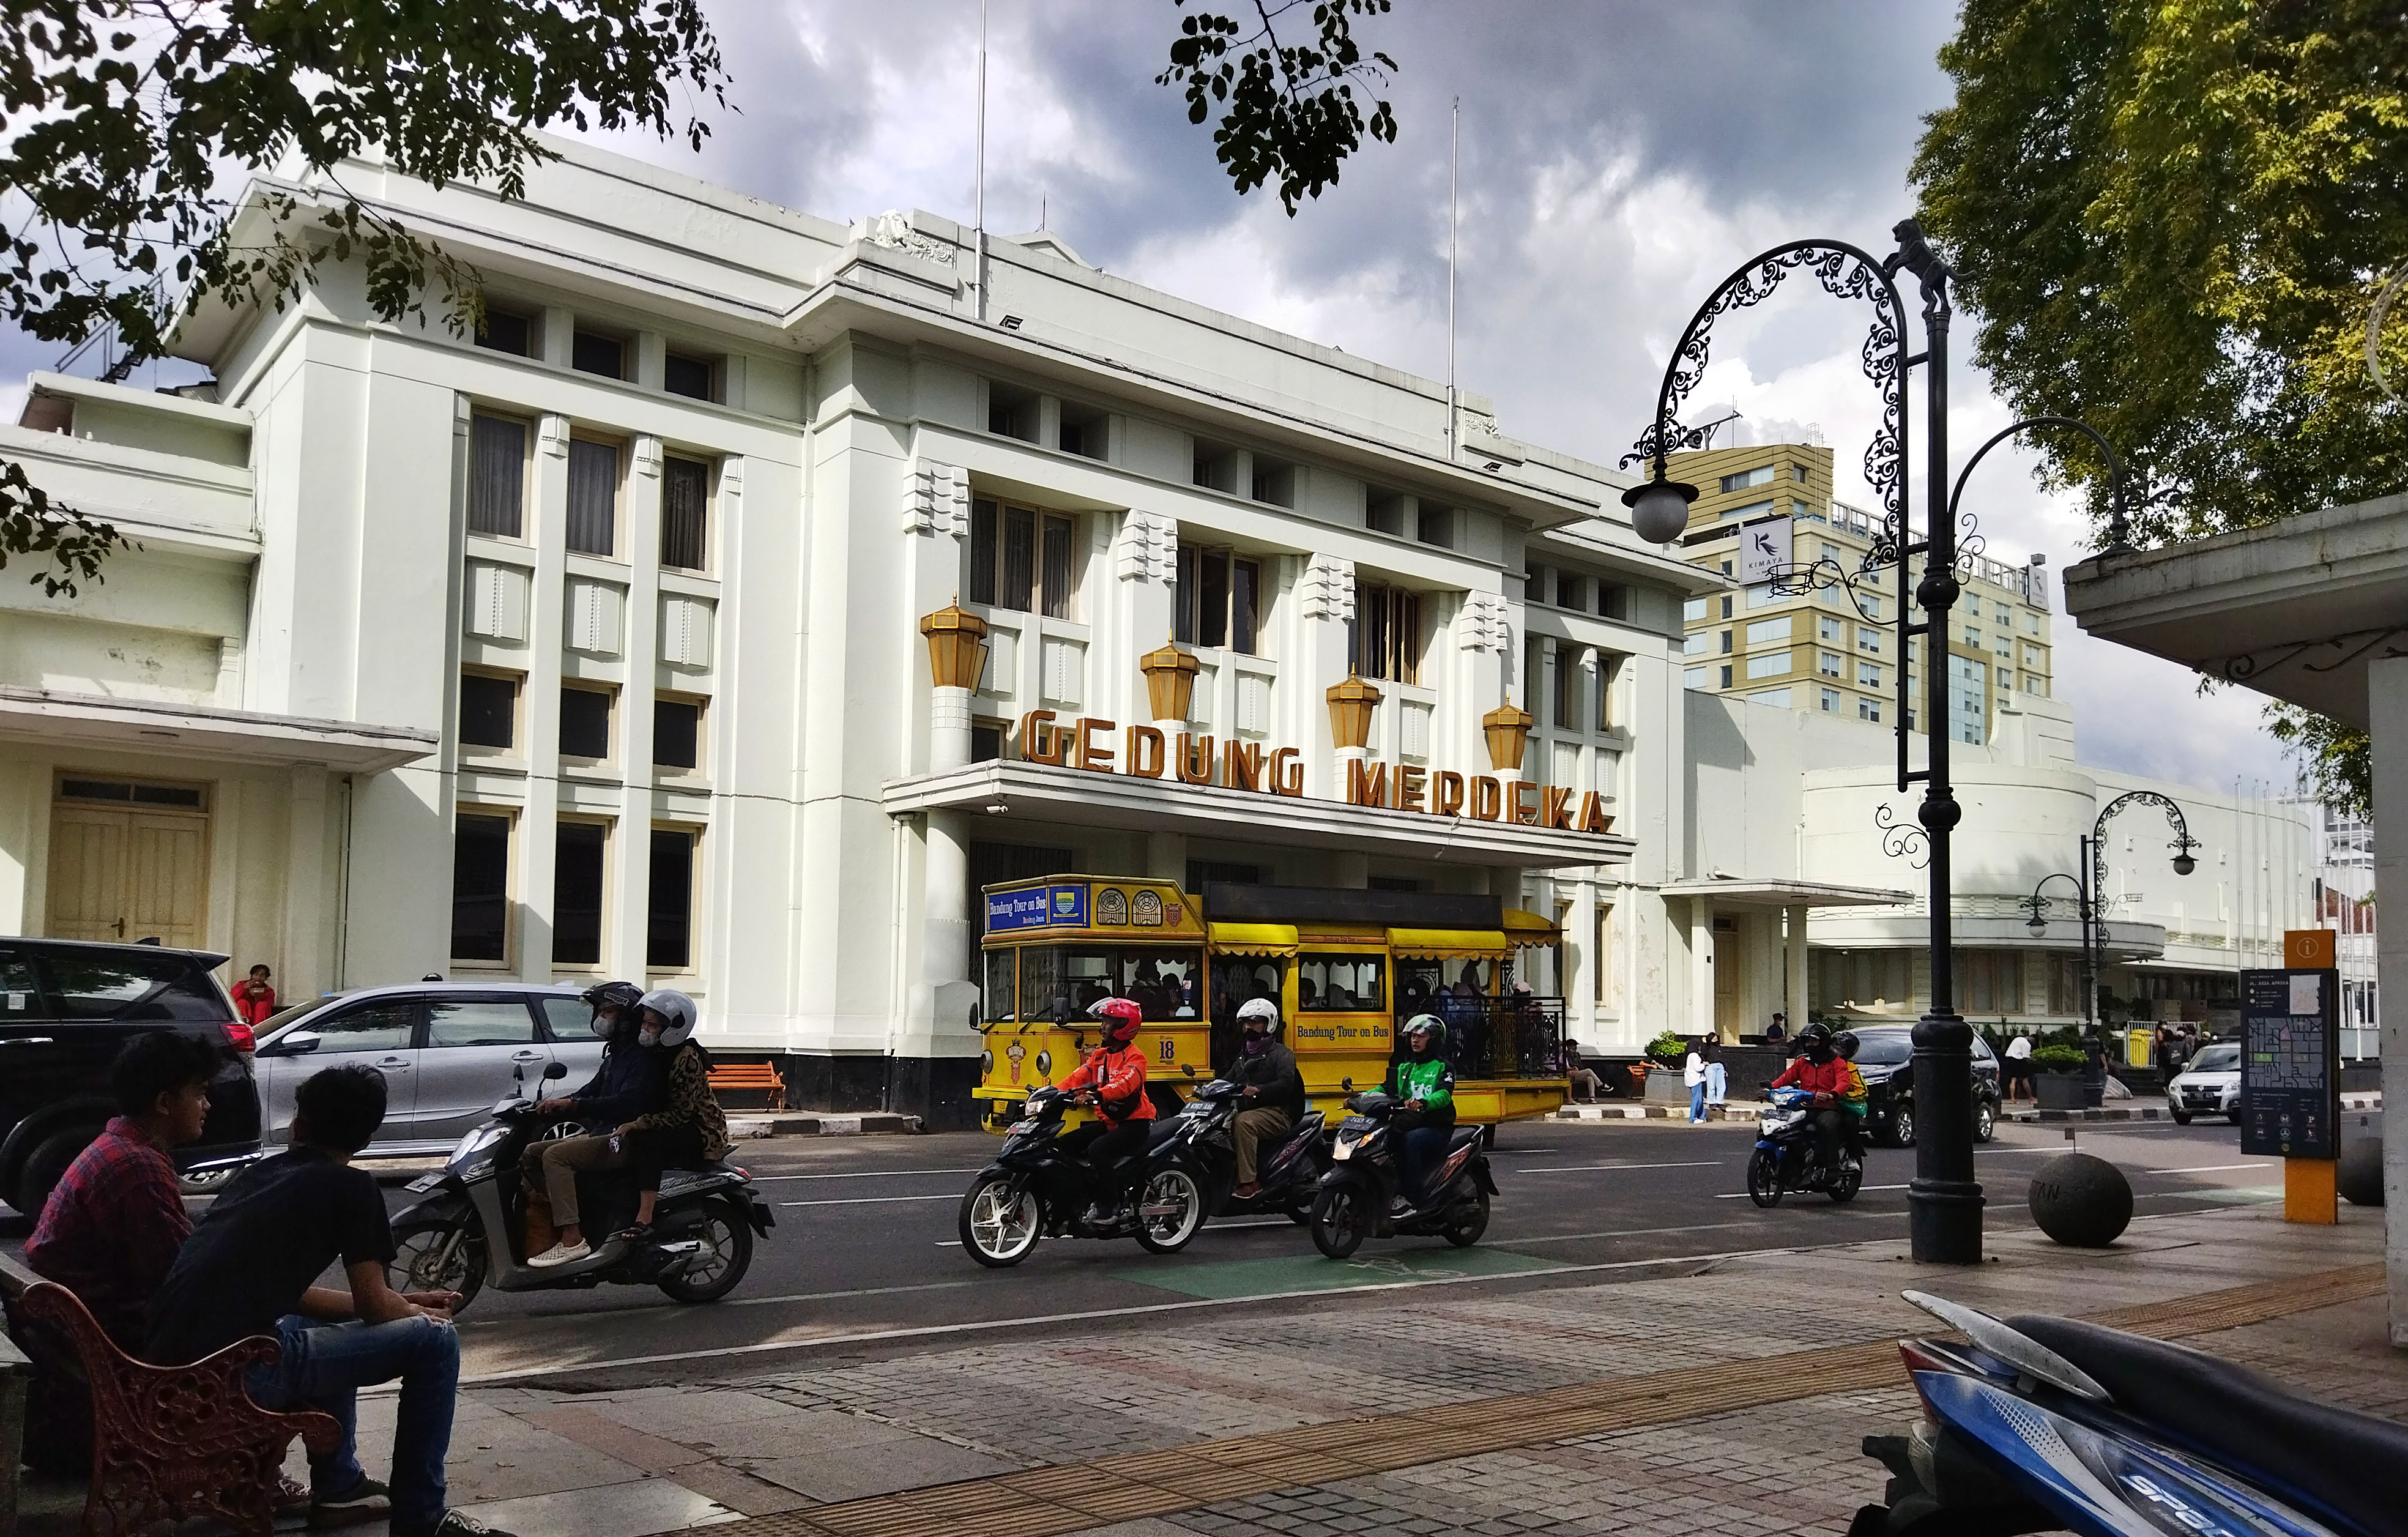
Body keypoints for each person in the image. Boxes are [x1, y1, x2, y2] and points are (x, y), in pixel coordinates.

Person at [145, 1066, 499, 1537]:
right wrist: (418, 1313)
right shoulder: (352, 1186)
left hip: (179, 1371)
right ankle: (422, 1517)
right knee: (437, 1343)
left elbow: (313, 1298)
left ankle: (339, 1486)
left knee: (306, 1325)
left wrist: (401, 1303)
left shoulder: (262, 1174)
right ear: (367, 1138)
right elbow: (375, 1308)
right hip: (233, 1377)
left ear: (300, 1124)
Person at [26, 1031, 221, 1348]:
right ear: (164, 1103)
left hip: (73, 1329)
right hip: (111, 1343)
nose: (207, 1105)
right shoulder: (138, 1168)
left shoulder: (118, 1147)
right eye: (199, 1093)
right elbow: (183, 1278)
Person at [524, 981, 667, 1267]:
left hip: (625, 1139)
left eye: (608, 1011)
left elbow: (626, 1103)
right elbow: (592, 1090)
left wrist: (576, 1106)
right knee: (531, 1153)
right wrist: (559, 1103)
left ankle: (572, 1237)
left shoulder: (642, 1058)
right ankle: (571, 1217)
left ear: (626, 1018)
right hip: (606, 1133)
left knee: (556, 1157)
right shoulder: (617, 1053)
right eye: (600, 1011)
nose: (601, 1017)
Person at [604, 991, 730, 1243]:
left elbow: (681, 1113)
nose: (646, 1030)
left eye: (653, 1025)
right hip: (666, 1120)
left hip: (701, 1130)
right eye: (645, 1023)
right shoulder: (652, 1053)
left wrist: (639, 1124)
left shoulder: (686, 1058)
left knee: (648, 1141)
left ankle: (645, 1215)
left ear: (671, 1029)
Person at [1054, 996, 1154, 1221]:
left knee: (1097, 1150)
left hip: (1134, 1126)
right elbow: (1076, 1078)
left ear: (1122, 1026)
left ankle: (1110, 1206)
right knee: (1060, 1146)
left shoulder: (1136, 1058)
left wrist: (1096, 1095)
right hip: (1110, 1123)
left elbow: (1123, 1084)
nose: (1102, 1027)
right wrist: (1051, 1093)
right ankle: (1079, 1194)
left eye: (1107, 1022)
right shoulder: (1099, 1056)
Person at [1224, 997, 1306, 1199]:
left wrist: (1258, 1090)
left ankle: (1250, 1183)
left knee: (1243, 1124)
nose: (1250, 1027)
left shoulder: (1282, 1054)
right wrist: (1207, 1089)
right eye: (1247, 1023)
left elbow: (1286, 1085)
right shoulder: (1244, 1056)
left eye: (1255, 1022)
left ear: (1269, 1023)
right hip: (1251, 1110)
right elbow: (1229, 1079)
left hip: (1278, 1112)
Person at [1384, 1014, 1456, 1211]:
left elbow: (1444, 1095)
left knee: (1411, 1140)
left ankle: (1410, 1196)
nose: (1415, 1040)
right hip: (1410, 1121)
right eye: (1413, 1036)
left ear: (1433, 1040)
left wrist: (1423, 1102)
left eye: (1421, 1036)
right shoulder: (1405, 1068)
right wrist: (1359, 1098)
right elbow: (1385, 1089)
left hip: (1436, 1127)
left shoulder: (1443, 1067)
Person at [1769, 1022, 1857, 1175]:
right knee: (1783, 1125)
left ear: (1823, 1042)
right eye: (1807, 1041)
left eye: (1814, 1041)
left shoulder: (1837, 1063)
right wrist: (1770, 1088)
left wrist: (1832, 1095)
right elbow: (1787, 1078)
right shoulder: (1802, 1062)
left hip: (1827, 1108)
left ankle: (1831, 1167)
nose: (1810, 1045)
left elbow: (1844, 1082)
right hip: (1804, 1106)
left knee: (1827, 1125)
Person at [231, 963, 278, 1028]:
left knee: (262, 1005)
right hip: (245, 1017)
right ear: (252, 975)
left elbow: (270, 1004)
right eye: (256, 975)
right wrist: (244, 988)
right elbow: (231, 999)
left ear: (266, 977)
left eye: (262, 975)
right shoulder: (242, 984)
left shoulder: (268, 991)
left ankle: (259, 1028)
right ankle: (241, 1027)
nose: (258, 978)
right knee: (242, 1002)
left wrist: (258, 997)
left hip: (258, 1020)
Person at [1564, 1039, 1609, 1103]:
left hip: (1579, 1072)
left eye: (1576, 1046)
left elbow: (1580, 1065)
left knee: (1590, 1078)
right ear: (1569, 1046)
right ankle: (1600, 1085)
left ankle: (1592, 1097)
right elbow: (1571, 1065)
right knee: (1588, 1071)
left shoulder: (1577, 1054)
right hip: (1572, 1073)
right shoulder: (1566, 1054)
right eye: (1574, 1046)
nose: (1575, 1047)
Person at [2004, 1031, 2034, 1103]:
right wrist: (2034, 1060)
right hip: (2018, 1061)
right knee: (2025, 1079)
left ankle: (2012, 1098)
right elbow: (2026, 1057)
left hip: (2009, 1059)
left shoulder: (2017, 1039)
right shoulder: (2027, 1044)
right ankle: (2030, 1097)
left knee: (2013, 1080)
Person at [1684, 1038, 1708, 1123]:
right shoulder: (1695, 1056)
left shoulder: (1690, 1055)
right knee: (1697, 1099)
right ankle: (1693, 1117)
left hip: (1691, 1079)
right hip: (1696, 1079)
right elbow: (1698, 1068)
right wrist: (1704, 1065)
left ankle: (1702, 1116)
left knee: (1699, 1099)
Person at [1702, 1035, 1727, 1114]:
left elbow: (1723, 1058)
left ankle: (1720, 1102)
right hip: (1711, 1066)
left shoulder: (1719, 1048)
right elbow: (1703, 1055)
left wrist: (1725, 1069)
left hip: (1720, 1066)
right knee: (1711, 1085)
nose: (1715, 1039)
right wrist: (1704, 1062)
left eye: (1716, 1038)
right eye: (1713, 1038)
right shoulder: (1707, 1047)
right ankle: (1711, 1102)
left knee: (1722, 1085)